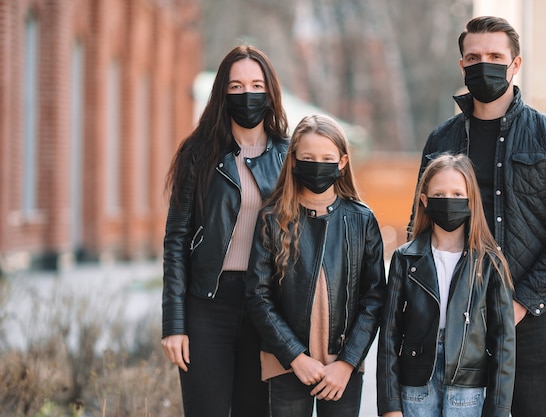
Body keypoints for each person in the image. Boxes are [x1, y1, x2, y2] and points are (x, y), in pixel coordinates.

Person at [408, 16, 546, 417]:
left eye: (495, 56)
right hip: (453, 323)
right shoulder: (442, 140)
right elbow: (418, 226)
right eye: (474, 57)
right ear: (462, 67)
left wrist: (519, 302)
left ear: (515, 64)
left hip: (527, 322)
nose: (483, 64)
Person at [161, 45, 289, 417]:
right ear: (222, 93)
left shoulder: (288, 155)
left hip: (265, 307)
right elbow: (176, 240)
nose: (245, 94)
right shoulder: (198, 152)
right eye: (235, 87)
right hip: (207, 306)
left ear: (269, 91)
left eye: (255, 84)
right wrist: (174, 322)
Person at [245, 114, 386, 417]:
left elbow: (374, 299)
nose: (317, 164)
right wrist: (295, 356)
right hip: (287, 364)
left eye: (326, 158)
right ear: (293, 160)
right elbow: (258, 295)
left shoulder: (361, 220)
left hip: (342, 369)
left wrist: (348, 362)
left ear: (343, 161)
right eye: (308, 158)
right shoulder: (273, 218)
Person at [379, 153, 515, 417]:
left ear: (471, 201)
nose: (448, 201)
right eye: (439, 196)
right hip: (416, 387)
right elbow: (389, 336)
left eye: (456, 194)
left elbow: (504, 342)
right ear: (424, 201)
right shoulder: (405, 259)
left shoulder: (489, 262)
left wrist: (499, 408)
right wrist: (389, 405)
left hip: (468, 388)